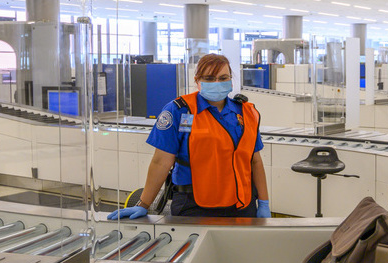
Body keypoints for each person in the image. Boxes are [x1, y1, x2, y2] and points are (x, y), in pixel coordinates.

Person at [108, 54, 270, 220]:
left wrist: (264, 203)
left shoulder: (244, 113)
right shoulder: (179, 111)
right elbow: (161, 161)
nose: (217, 83)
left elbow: (255, 161)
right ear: (197, 80)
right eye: (209, 78)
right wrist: (143, 204)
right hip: (193, 206)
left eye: (223, 78)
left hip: (241, 205)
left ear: (231, 79)